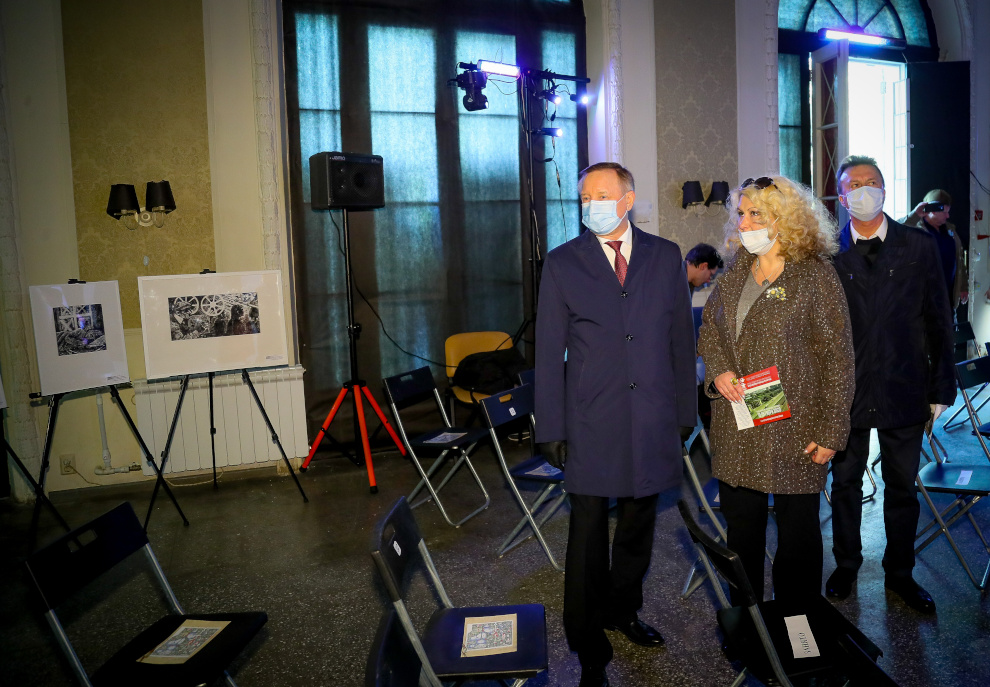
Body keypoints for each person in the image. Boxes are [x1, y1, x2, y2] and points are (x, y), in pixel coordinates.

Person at [535, 162, 696, 687]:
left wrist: (685, 413)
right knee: (586, 534)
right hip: (590, 417)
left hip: (652, 415)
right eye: (585, 197)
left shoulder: (665, 256)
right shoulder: (563, 262)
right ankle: (588, 645)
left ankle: (623, 610)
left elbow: (680, 339)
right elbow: (547, 352)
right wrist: (550, 428)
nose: (591, 205)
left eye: (601, 195)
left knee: (637, 523)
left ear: (628, 200)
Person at [698, 175, 855, 605]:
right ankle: (748, 623)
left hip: (797, 428)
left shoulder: (816, 276)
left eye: (756, 215)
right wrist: (719, 370)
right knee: (742, 535)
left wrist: (832, 431)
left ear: (785, 220)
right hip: (738, 423)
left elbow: (838, 359)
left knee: (797, 538)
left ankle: (797, 626)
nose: (744, 224)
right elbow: (710, 329)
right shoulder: (736, 272)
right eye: (742, 214)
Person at [827, 155, 955, 614]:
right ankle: (846, 564)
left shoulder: (918, 246)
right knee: (844, 484)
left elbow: (939, 319)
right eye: (854, 184)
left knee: (902, 487)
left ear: (884, 189)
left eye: (872, 182)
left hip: (905, 384)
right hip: (846, 390)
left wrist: (941, 389)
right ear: (841, 197)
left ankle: (901, 573)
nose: (864, 190)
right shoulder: (826, 252)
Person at [901, 189, 968, 311]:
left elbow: (959, 259)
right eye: (944, 212)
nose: (948, 216)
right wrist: (914, 215)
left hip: (947, 300)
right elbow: (894, 234)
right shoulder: (914, 229)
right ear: (931, 210)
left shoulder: (950, 230)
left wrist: (963, 286)